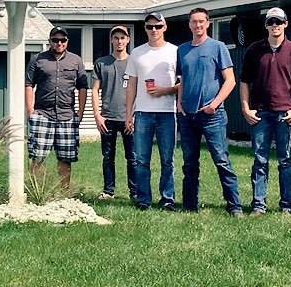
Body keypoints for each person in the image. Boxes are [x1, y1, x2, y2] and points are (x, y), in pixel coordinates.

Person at [238, 7, 291, 215]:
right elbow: (244, 81)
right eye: (271, 22)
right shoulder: (254, 50)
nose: (275, 26)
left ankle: (287, 206)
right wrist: (246, 108)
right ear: (266, 25)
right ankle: (258, 205)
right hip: (260, 114)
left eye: (279, 22)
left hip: (285, 114)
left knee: (285, 160)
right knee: (260, 159)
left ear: (286, 24)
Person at [176, 7, 243, 216]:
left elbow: (230, 80)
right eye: (194, 22)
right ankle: (189, 206)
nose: (198, 25)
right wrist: (179, 103)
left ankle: (235, 206)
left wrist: (214, 104)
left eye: (201, 22)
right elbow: (181, 80)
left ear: (208, 24)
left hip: (213, 115)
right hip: (188, 115)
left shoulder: (218, 47)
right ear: (189, 24)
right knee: (189, 163)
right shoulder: (182, 50)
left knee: (221, 160)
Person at [124, 12, 179, 210]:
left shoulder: (175, 52)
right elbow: (131, 84)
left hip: (167, 112)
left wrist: (165, 90)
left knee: (167, 160)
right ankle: (143, 199)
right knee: (141, 159)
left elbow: (182, 84)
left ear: (165, 27)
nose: (154, 30)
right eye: (149, 27)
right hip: (143, 113)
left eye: (158, 26)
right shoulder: (137, 53)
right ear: (145, 29)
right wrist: (128, 113)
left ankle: (167, 199)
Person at [25, 26, 88, 191]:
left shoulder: (76, 61)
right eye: (55, 40)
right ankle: (37, 191)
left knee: (65, 157)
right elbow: (29, 84)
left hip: (67, 115)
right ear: (49, 41)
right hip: (42, 114)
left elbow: (83, 87)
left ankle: (63, 193)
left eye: (62, 40)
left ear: (67, 41)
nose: (59, 43)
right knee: (38, 156)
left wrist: (80, 112)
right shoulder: (38, 60)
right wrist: (30, 111)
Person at [92, 25, 137, 201]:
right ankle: (109, 191)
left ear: (128, 40)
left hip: (128, 118)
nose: (119, 41)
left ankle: (134, 192)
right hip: (107, 117)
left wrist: (133, 115)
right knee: (108, 156)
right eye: (116, 37)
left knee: (132, 157)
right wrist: (97, 115)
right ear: (111, 40)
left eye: (122, 38)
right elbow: (95, 90)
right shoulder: (102, 63)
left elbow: (139, 90)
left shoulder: (134, 62)